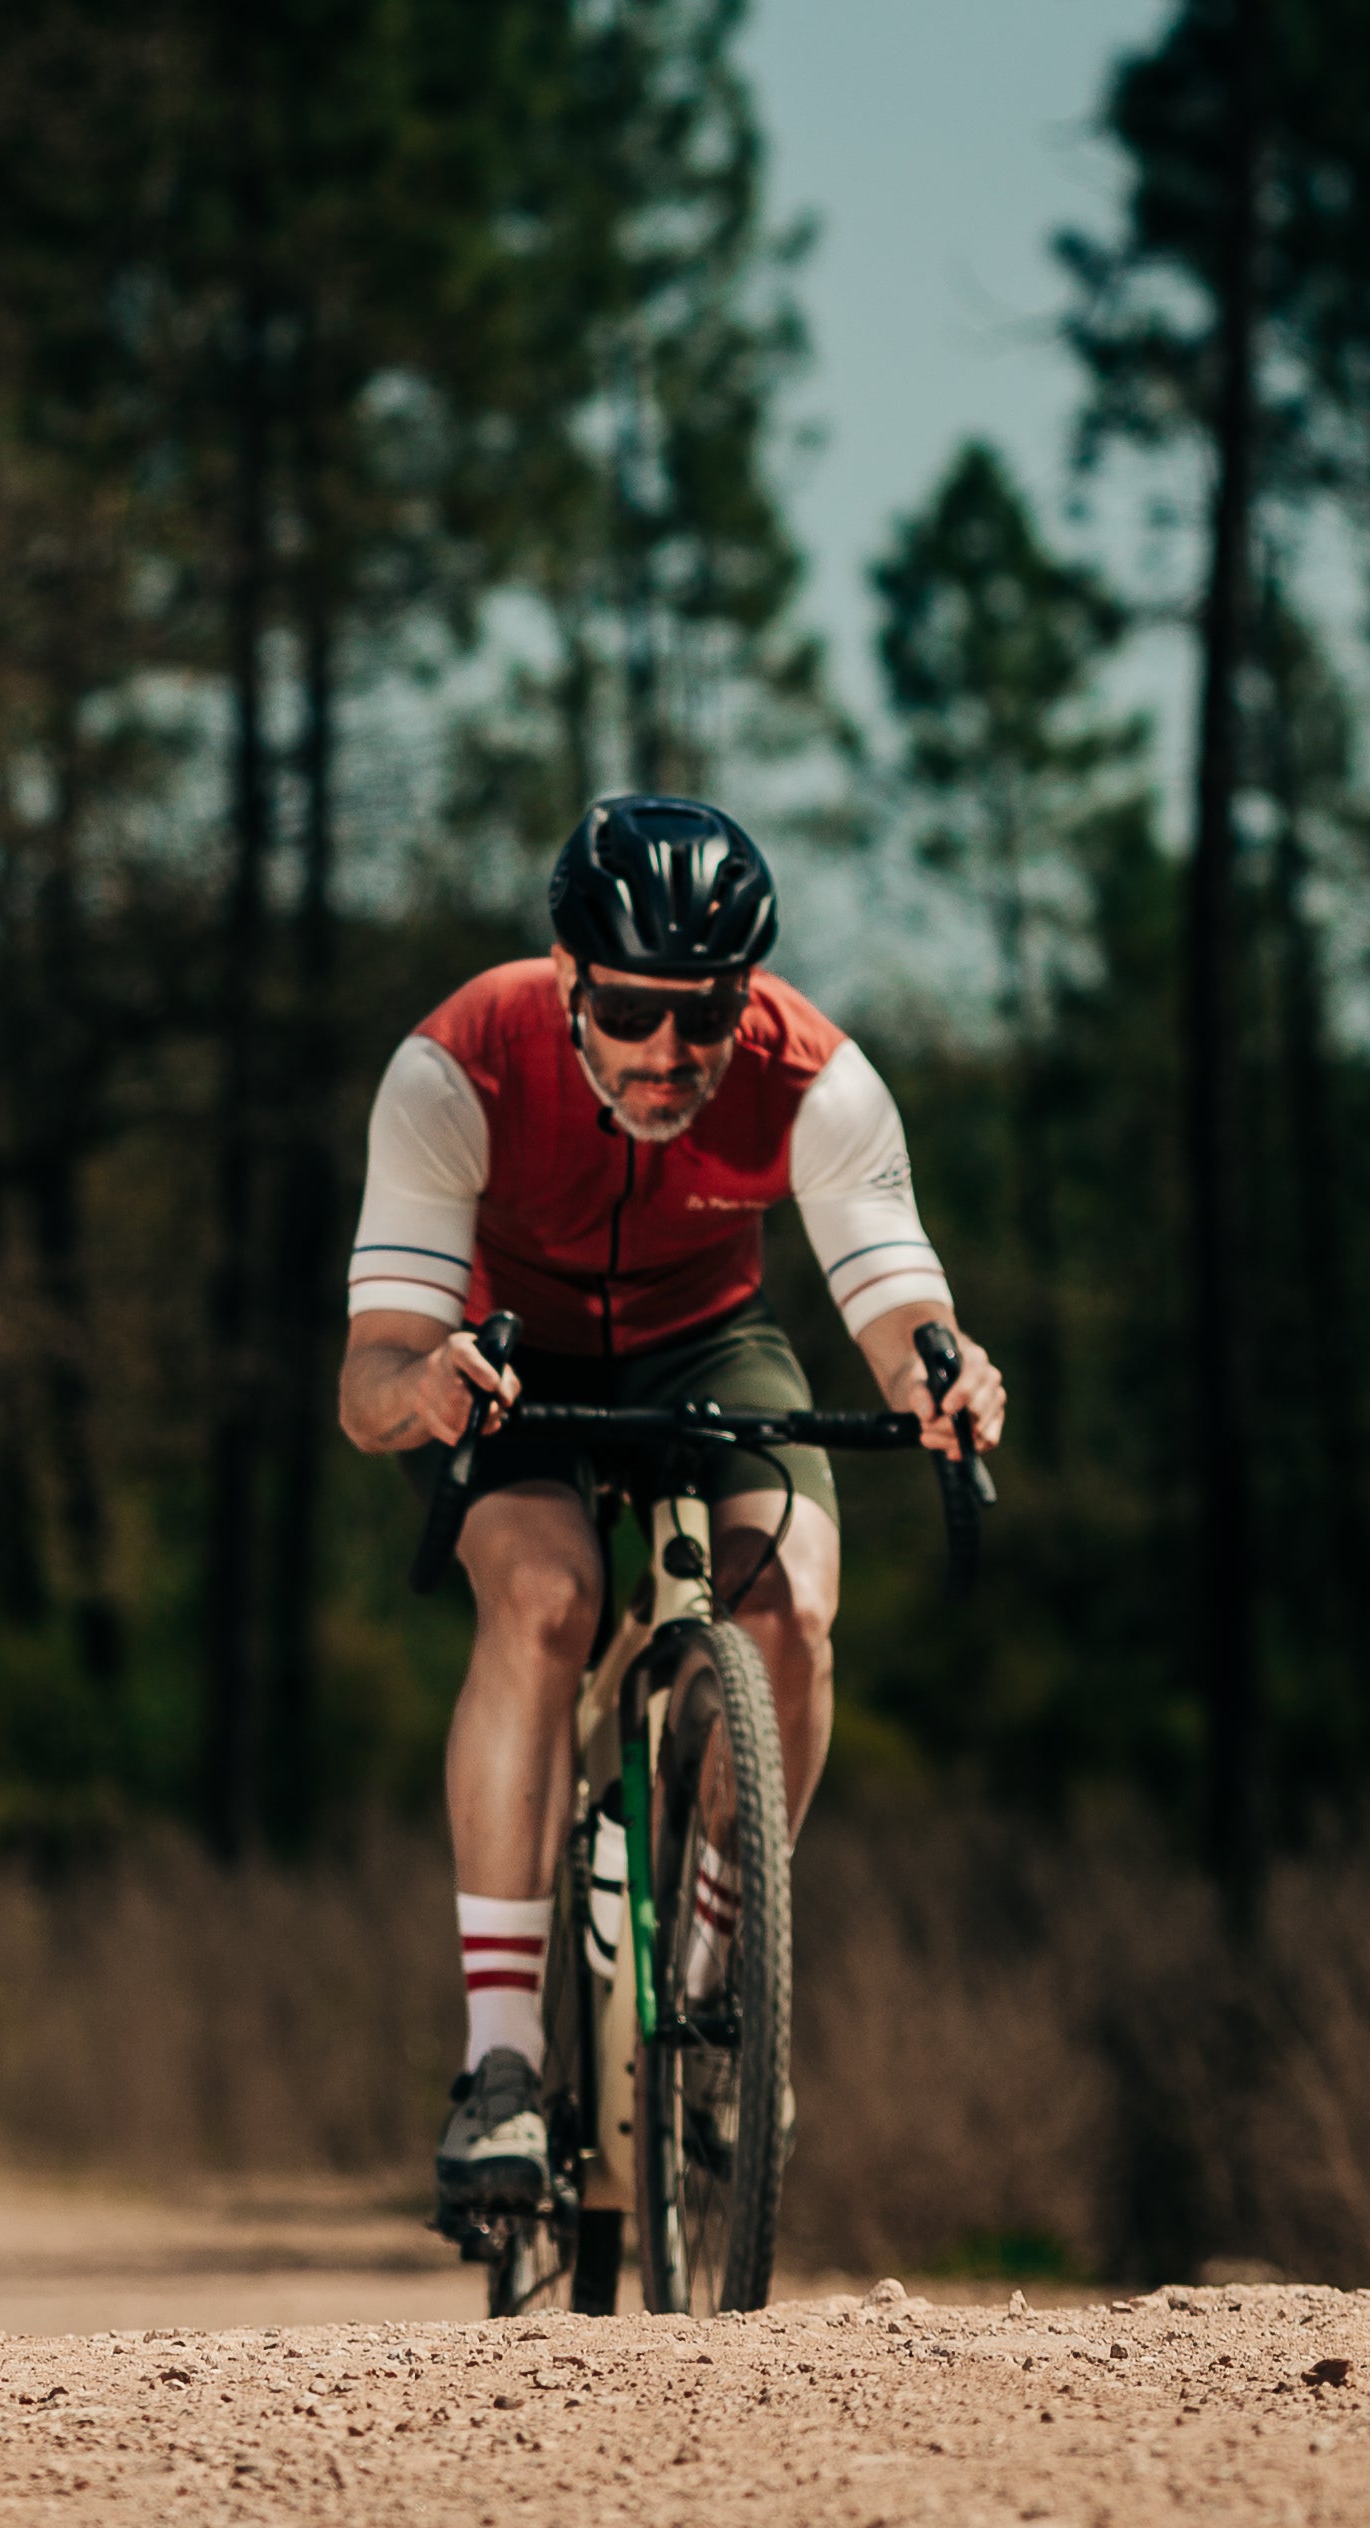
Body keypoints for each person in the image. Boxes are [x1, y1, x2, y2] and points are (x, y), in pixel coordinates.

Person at [332, 792, 1005, 2211]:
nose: (669, 1052)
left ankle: (713, 1974)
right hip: (506, 1350)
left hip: (710, 1336)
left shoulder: (815, 1076)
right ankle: (502, 2068)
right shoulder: (457, 1065)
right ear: (571, 978)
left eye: (705, 1015)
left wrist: (940, 1375)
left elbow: (897, 1309)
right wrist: (429, 1391)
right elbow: (369, 1378)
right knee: (547, 1596)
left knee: (799, 1612)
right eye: (632, 1010)